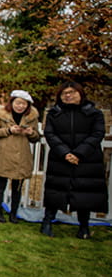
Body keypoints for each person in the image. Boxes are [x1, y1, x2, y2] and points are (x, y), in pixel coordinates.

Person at [41, 81, 108, 239]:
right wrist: (65, 153)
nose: (68, 95)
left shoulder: (94, 113)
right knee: (55, 190)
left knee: (83, 192)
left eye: (72, 92)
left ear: (80, 94)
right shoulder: (54, 113)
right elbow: (50, 134)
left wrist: (79, 153)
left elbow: (97, 134)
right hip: (60, 158)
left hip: (86, 160)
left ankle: (84, 227)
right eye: (65, 93)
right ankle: (47, 221)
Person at [0, 90, 40, 224]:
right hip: (3, 155)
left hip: (22, 156)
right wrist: (9, 130)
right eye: (18, 103)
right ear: (12, 102)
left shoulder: (31, 117)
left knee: (17, 187)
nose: (20, 106)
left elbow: (36, 137)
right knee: (1, 185)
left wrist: (30, 133)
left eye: (24, 104)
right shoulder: (1, 115)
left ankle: (14, 213)